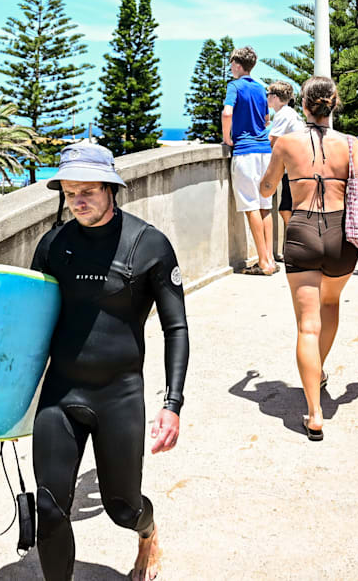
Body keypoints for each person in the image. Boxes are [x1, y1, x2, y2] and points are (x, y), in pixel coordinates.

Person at [30, 143, 189, 581]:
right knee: (50, 506)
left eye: (88, 191)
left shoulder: (148, 244)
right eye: (69, 192)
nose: (78, 201)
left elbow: (176, 327)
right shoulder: (52, 246)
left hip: (118, 395)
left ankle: (147, 532)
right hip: (61, 393)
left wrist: (172, 404)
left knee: (123, 507)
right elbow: (27, 325)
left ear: (112, 189)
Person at [259, 76, 358, 440]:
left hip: (301, 231)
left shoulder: (286, 142)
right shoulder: (349, 143)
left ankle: (314, 414)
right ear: (334, 102)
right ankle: (320, 368)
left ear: (303, 104)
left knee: (306, 327)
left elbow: (267, 187)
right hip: (340, 234)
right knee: (330, 304)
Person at [221, 46, 276, 275]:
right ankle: (271, 259)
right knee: (265, 206)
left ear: (237, 64)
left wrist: (227, 138)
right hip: (265, 151)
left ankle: (263, 262)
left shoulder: (234, 86)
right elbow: (266, 120)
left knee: (251, 206)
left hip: (245, 152)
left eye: (232, 64)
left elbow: (227, 113)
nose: (231, 68)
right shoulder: (261, 89)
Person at [266, 80, 305, 239]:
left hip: (293, 169)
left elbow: (273, 141)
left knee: (287, 209)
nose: (266, 98)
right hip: (297, 167)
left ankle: (294, 242)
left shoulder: (283, 114)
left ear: (275, 97)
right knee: (289, 208)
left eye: (268, 95)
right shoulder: (290, 113)